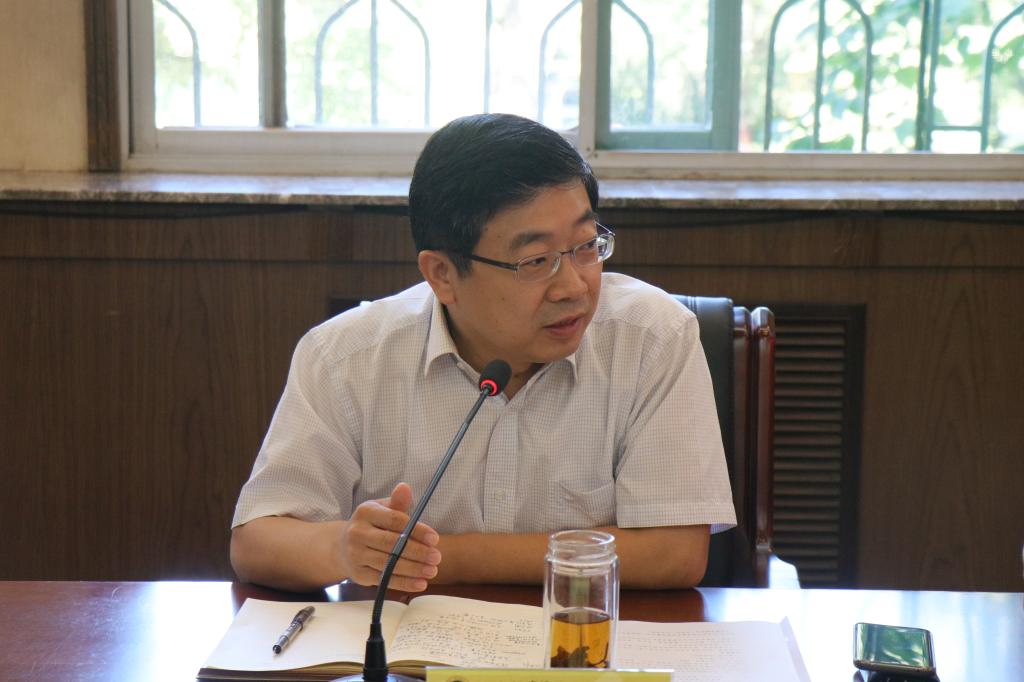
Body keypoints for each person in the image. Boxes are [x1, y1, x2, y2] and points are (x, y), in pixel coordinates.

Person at [230, 113, 736, 593]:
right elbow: (256, 542)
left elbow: (674, 553)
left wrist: (434, 558)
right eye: (535, 261)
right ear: (443, 275)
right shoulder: (345, 357)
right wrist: (343, 548)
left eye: (586, 246)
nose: (574, 287)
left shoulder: (652, 337)